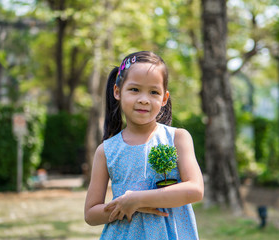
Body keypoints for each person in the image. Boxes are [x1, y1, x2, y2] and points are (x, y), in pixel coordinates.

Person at [84, 51, 204, 240]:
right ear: (117, 91)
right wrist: (124, 206)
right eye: (134, 89)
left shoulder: (177, 139)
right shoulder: (106, 151)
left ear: (164, 98)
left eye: (154, 92)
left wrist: (138, 200)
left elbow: (195, 190)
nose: (144, 99)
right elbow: (91, 214)